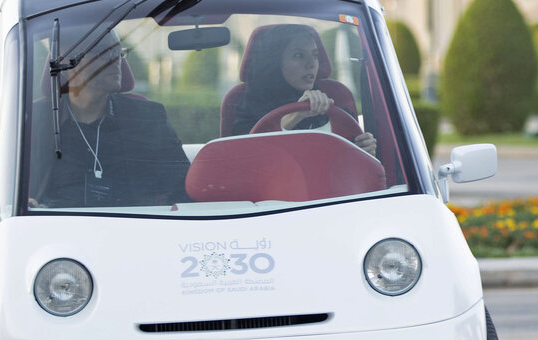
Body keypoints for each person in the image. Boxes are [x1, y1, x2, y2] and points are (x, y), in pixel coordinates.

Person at [30, 32, 190, 208]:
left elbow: (184, 189)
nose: (116, 60)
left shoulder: (148, 118)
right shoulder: (32, 122)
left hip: (137, 228)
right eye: (104, 52)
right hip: (54, 230)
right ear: (68, 65)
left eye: (118, 52)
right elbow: (13, 192)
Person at [227, 24, 377, 156]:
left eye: (315, 55)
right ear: (275, 63)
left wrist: (364, 149)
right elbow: (243, 159)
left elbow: (355, 170)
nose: (311, 64)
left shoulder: (337, 105)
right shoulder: (247, 109)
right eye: (299, 55)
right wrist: (295, 115)